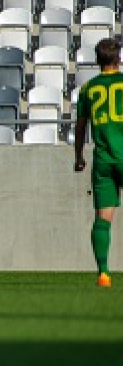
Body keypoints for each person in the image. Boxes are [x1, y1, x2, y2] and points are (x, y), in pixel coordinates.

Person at [74, 37, 123, 288]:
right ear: (119, 59)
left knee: (103, 219)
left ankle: (103, 273)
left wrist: (78, 156)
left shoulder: (88, 89)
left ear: (97, 61)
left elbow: (81, 126)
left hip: (103, 160)